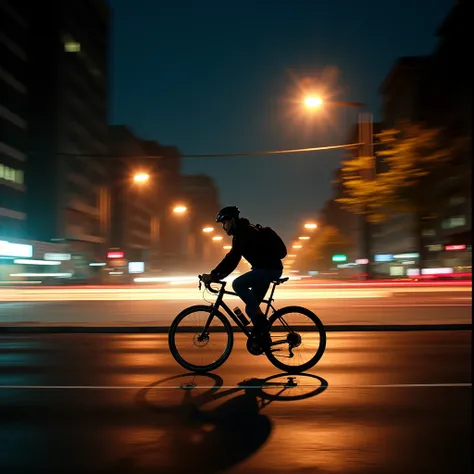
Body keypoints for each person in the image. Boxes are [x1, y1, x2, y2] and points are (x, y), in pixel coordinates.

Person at [201, 206, 284, 337]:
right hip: (267, 270)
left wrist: (213, 275)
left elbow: (232, 259)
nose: (223, 227)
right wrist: (216, 275)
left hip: (269, 270)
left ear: (232, 220)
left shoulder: (244, 233)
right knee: (251, 308)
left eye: (224, 222)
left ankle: (262, 323)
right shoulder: (243, 232)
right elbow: (232, 259)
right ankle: (263, 338)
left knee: (238, 284)